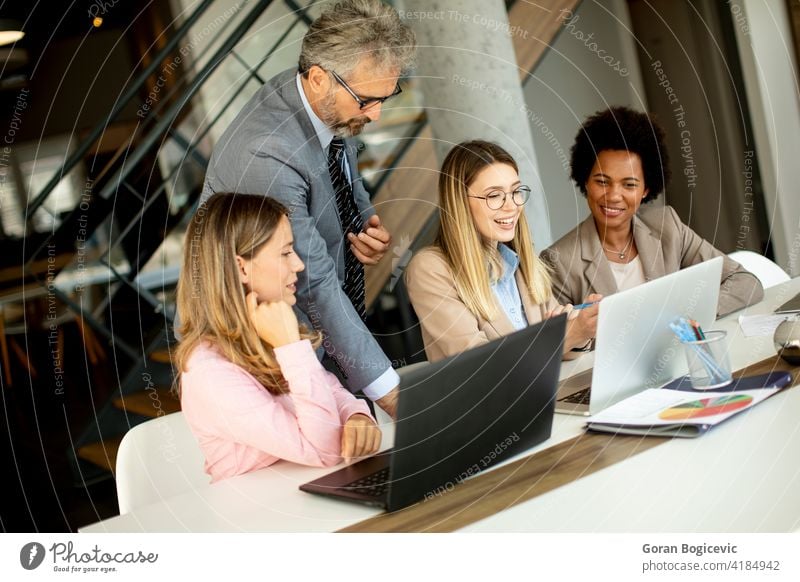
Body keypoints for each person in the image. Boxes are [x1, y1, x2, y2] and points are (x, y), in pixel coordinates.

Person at [200, 0, 416, 417]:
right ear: (318, 79)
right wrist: (391, 394)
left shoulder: (320, 97)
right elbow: (312, 280)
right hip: (264, 357)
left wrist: (362, 218)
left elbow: (343, 152)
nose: (377, 113)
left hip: (325, 334)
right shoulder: (267, 156)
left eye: (387, 97)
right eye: (368, 100)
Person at [175, 193, 381, 483]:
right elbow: (325, 450)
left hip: (307, 496)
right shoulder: (208, 370)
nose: (298, 265)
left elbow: (333, 393)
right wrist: (291, 348)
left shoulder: (270, 327)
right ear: (241, 267)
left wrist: (356, 417)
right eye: (285, 253)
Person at [541, 106, 763, 317]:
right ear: (585, 181)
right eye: (602, 181)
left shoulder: (668, 227)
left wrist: (685, 316)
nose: (614, 196)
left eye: (629, 185)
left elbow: (745, 283)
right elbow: (562, 342)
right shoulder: (558, 261)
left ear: (646, 190)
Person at [405, 140, 599, 363]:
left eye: (515, 191)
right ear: (459, 202)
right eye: (494, 195)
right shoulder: (430, 268)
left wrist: (581, 328)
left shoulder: (519, 261)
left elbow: (563, 351)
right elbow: (481, 366)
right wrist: (562, 337)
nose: (512, 205)